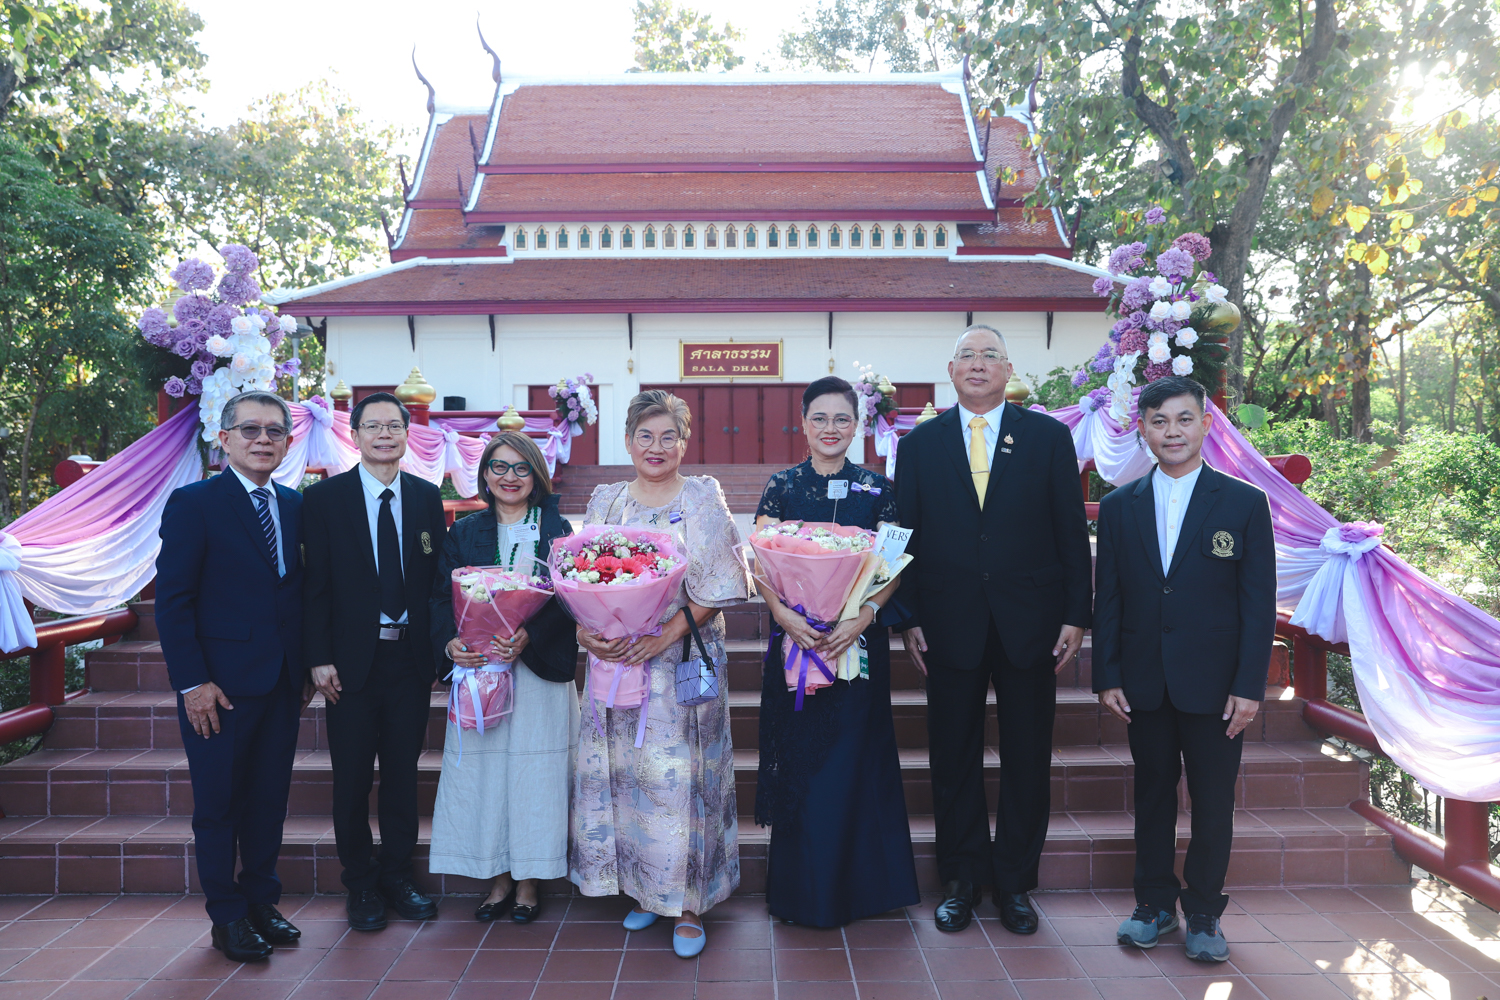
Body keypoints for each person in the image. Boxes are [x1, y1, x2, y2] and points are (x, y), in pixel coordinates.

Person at [894, 325, 1093, 935]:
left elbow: (1070, 530)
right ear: (950, 371)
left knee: (1027, 756)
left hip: (1030, 621)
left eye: (990, 356)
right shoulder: (920, 445)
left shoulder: (1047, 438)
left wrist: (1076, 614)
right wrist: (910, 617)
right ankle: (960, 880)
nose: (978, 364)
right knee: (952, 755)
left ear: (1008, 370)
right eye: (967, 356)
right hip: (947, 622)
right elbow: (905, 533)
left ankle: (1014, 883)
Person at [1093, 376, 1275, 963]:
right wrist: (1107, 674)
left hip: (1217, 685)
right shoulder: (1118, 507)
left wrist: (1249, 685)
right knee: (1152, 793)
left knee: (1213, 799)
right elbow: (1108, 598)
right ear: (1142, 430)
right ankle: (1152, 905)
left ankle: (1203, 911)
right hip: (1144, 680)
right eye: (1159, 421)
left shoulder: (1244, 503)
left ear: (1205, 424)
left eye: (1184, 419)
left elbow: (1258, 602)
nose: (1172, 432)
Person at [570, 389, 752, 959]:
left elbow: (721, 583)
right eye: (645, 436)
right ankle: (647, 890)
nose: (656, 446)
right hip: (616, 663)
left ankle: (689, 901)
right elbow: (579, 575)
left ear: (684, 442)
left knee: (681, 781)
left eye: (668, 436)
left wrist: (662, 636)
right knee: (626, 776)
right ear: (628, 442)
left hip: (679, 664)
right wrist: (585, 632)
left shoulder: (701, 497)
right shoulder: (606, 501)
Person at [754, 376, 919, 927]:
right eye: (820, 418)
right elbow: (762, 562)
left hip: (856, 644)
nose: (831, 428)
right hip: (797, 645)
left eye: (842, 419)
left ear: (857, 425)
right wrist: (783, 615)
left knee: (855, 762)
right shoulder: (782, 486)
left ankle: (860, 892)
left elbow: (892, 565)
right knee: (802, 760)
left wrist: (864, 616)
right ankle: (802, 893)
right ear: (803, 424)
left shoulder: (877, 488)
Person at [155, 390, 306, 962]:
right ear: (224, 439)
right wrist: (193, 682)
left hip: (282, 681)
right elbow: (173, 600)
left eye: (274, 431)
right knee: (219, 805)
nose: (263, 439)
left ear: (287, 442)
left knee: (268, 801)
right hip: (218, 687)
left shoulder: (294, 505)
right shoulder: (194, 503)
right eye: (250, 429)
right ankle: (227, 916)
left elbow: (296, 593)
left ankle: (262, 901)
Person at [302, 391, 448, 931]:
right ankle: (360, 883)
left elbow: (437, 585)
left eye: (394, 426)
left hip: (409, 659)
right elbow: (313, 587)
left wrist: (440, 651)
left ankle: (397, 876)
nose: (384, 434)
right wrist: (318, 657)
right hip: (349, 664)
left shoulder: (427, 497)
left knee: (403, 775)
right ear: (355, 434)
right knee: (352, 777)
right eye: (373, 426)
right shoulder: (325, 500)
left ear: (408, 435)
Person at [428, 431, 580, 924]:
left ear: (537, 474)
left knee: (537, 773)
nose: (509, 477)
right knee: (487, 772)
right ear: (484, 474)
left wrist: (529, 635)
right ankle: (496, 874)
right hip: (482, 668)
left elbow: (569, 597)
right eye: (499, 467)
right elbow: (441, 596)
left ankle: (531, 877)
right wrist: (451, 643)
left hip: (538, 668)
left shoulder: (557, 528)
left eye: (520, 468)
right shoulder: (464, 531)